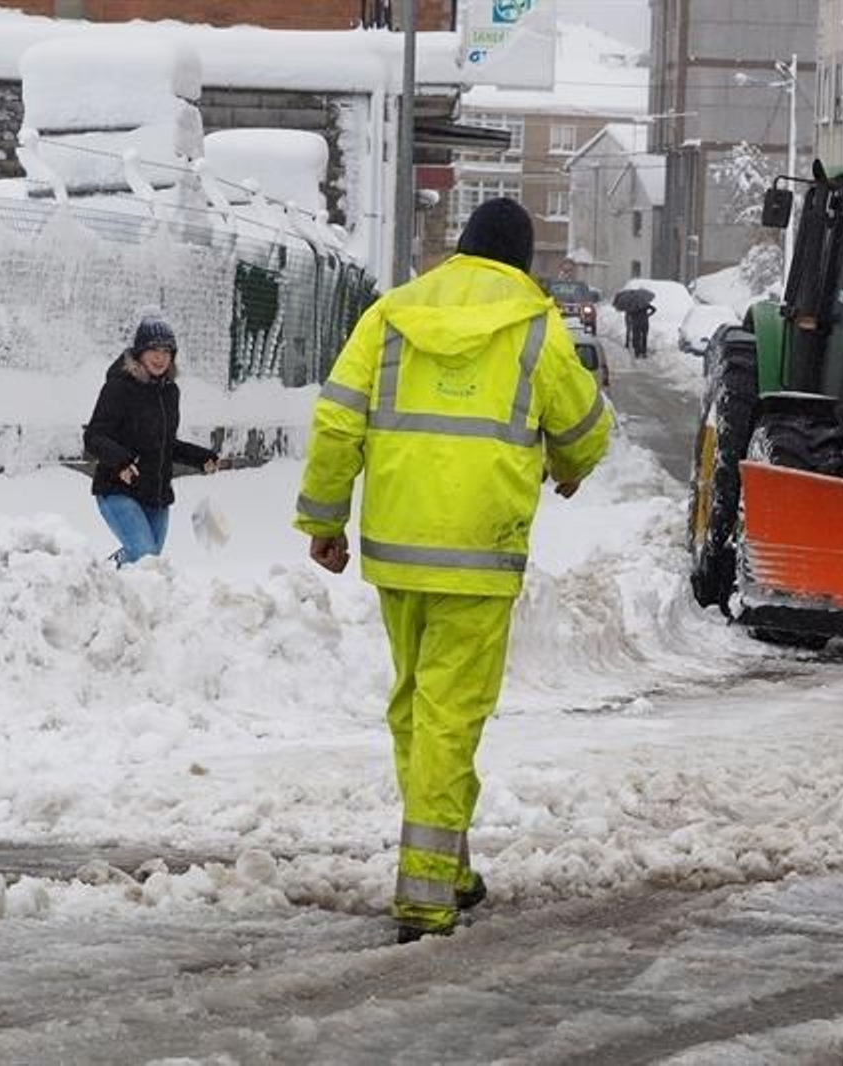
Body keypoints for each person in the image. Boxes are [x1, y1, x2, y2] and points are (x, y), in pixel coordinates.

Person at [294, 197, 612, 944]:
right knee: (448, 717)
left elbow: (338, 416)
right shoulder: (536, 326)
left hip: (398, 548)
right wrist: (566, 467)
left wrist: (323, 518)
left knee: (413, 709)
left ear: (461, 249)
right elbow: (587, 429)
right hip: (479, 551)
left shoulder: (394, 312)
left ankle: (453, 862)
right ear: (522, 260)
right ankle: (427, 894)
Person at [84, 312, 219, 565]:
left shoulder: (170, 392)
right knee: (144, 555)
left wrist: (201, 458)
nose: (160, 357)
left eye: (167, 351)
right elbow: (93, 436)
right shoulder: (119, 387)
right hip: (117, 488)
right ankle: (105, 582)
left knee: (149, 563)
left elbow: (166, 444)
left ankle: (105, 577)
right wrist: (122, 462)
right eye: (153, 350)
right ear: (139, 352)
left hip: (156, 494)